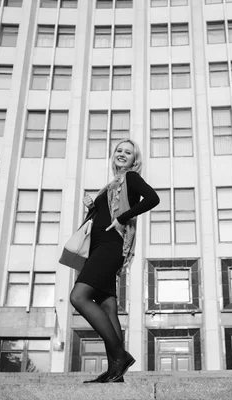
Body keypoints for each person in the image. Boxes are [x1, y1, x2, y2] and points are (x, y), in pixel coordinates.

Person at [70, 139, 159, 383]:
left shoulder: (130, 178)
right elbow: (105, 216)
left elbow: (152, 199)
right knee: (108, 307)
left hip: (111, 247)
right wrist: (93, 207)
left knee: (78, 297)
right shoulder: (111, 186)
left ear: (134, 160)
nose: (122, 154)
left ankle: (120, 356)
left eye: (128, 152)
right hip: (99, 247)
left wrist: (123, 218)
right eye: (119, 150)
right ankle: (114, 372)